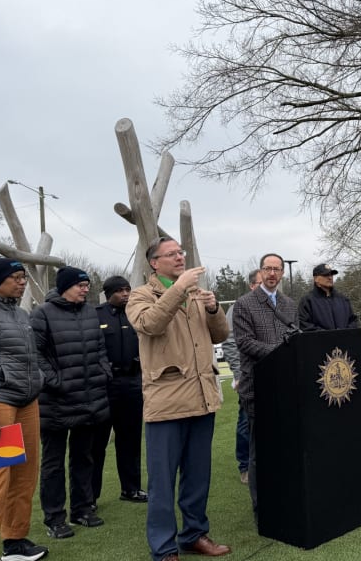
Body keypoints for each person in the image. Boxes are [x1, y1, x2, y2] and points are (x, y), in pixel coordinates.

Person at [126, 237, 231, 561]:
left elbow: (220, 335)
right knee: (162, 481)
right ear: (154, 263)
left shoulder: (195, 295)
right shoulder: (140, 295)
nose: (180, 257)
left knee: (198, 477)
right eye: (171, 254)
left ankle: (194, 535)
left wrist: (213, 309)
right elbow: (150, 324)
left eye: (181, 253)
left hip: (202, 398)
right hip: (167, 403)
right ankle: (164, 548)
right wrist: (178, 289)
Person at [0, 258, 48, 561]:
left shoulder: (21, 314)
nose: (22, 282)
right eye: (16, 277)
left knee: (24, 475)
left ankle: (15, 541)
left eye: (23, 277)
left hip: (26, 401)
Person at [31, 266, 112, 539]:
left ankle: (82, 509)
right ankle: (54, 518)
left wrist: (104, 370)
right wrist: (56, 381)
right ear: (65, 286)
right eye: (81, 285)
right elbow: (36, 355)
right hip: (55, 402)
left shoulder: (90, 312)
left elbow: (100, 347)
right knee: (53, 463)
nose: (86, 289)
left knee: (84, 457)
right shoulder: (42, 314)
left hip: (88, 399)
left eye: (87, 284)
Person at [232, 253, 298, 522]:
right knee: (260, 452)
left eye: (277, 269)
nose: (272, 273)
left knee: (287, 446)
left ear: (282, 273)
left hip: (287, 385)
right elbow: (245, 343)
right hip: (258, 386)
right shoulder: (244, 304)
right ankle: (263, 508)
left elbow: (296, 337)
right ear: (260, 272)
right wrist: (280, 352)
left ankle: (288, 498)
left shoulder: (289, 304)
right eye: (268, 269)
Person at [91, 276, 147, 507]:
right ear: (108, 293)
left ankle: (131, 488)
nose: (125, 294)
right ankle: (90, 496)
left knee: (130, 439)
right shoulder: (96, 315)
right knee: (97, 443)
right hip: (105, 386)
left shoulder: (136, 312)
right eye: (120, 291)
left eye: (127, 290)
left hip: (132, 382)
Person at [221, 269, 262, 485]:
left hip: (272, 376)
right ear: (251, 285)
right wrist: (238, 374)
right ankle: (245, 466)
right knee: (246, 421)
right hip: (248, 377)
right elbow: (229, 341)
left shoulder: (275, 306)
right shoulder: (238, 308)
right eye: (260, 282)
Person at [297, 263, 359, 331]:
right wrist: (328, 336)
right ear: (316, 279)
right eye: (325, 275)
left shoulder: (343, 300)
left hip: (344, 340)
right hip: (320, 341)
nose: (330, 277)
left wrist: (344, 334)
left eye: (331, 274)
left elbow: (353, 321)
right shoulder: (307, 301)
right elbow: (305, 325)